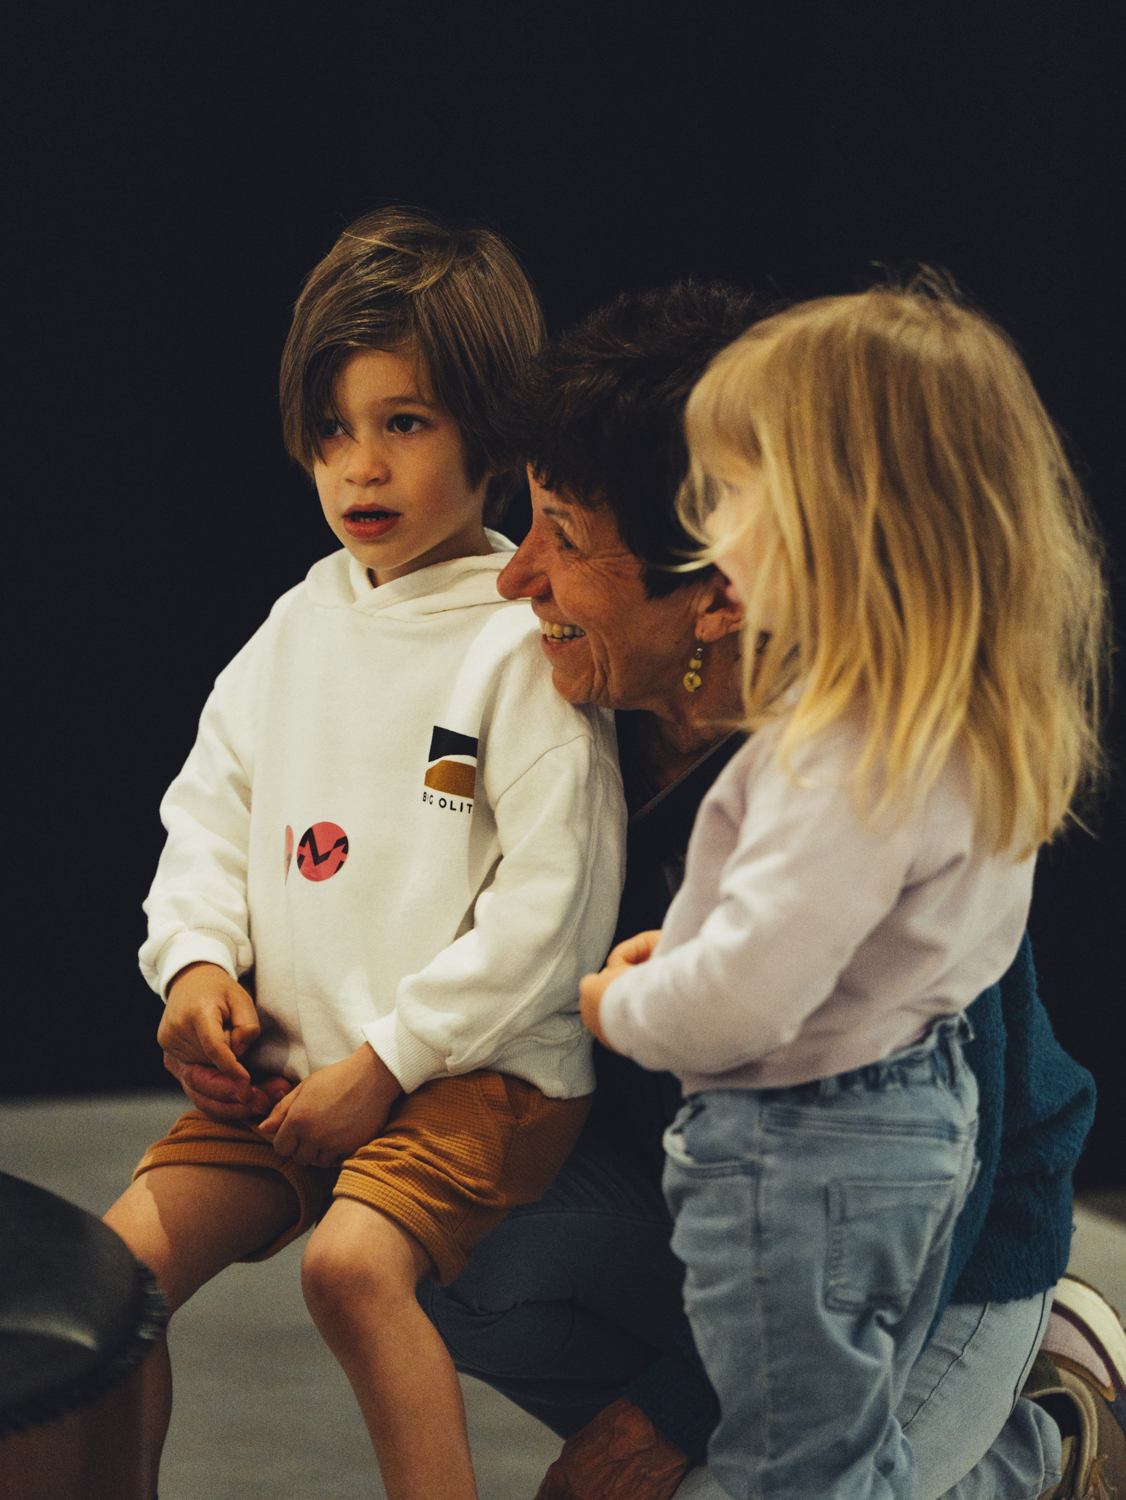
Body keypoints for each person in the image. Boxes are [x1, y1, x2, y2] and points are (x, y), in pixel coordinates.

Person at [413, 282, 1112, 1500]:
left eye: (563, 535)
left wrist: (676, 1413)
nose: (515, 576)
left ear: (712, 583)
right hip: (729, 1187)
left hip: (928, 1239)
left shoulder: (857, 769)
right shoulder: (570, 713)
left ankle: (1046, 1436)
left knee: (783, 1477)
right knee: (424, 1226)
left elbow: (925, 1141)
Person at [103, 208, 625, 1500]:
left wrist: (387, 1062)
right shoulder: (299, 623)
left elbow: (551, 916)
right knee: (110, 1290)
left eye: (404, 423)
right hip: (297, 1068)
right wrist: (195, 968)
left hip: (480, 1076)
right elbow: (207, 815)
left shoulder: (518, 641)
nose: (361, 469)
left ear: (488, 434)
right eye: (333, 432)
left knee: (348, 1270)